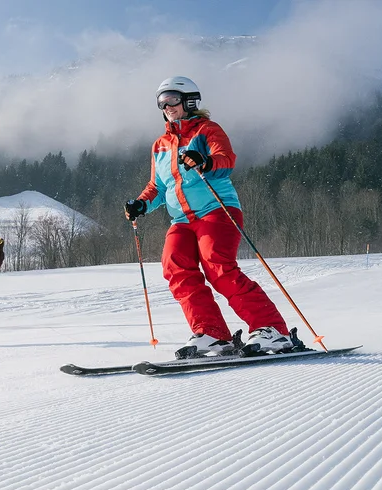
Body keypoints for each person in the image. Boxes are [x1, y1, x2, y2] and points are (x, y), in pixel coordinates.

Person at [123, 76, 300, 358]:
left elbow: (225, 159)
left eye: (172, 99)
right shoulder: (160, 145)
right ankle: (213, 334)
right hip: (181, 220)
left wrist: (204, 161)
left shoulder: (207, 130)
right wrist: (141, 204)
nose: (166, 106)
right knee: (175, 265)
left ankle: (272, 330)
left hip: (217, 210)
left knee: (218, 266)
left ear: (189, 100)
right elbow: (158, 186)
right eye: (161, 101)